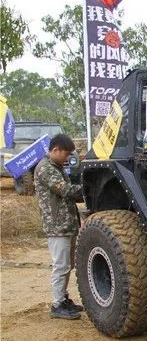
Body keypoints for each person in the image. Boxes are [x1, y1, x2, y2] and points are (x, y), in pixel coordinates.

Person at [34, 133, 85, 320]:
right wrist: (87, 187)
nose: (68, 158)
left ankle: (63, 298)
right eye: (66, 154)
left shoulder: (56, 166)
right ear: (55, 150)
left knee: (67, 265)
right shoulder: (45, 169)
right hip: (57, 226)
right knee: (61, 265)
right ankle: (57, 304)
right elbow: (64, 190)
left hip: (66, 224)